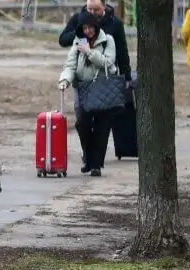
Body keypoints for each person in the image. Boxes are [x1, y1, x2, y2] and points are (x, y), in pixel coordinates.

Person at [58, 15, 119, 177]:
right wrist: (65, 80)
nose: (88, 31)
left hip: (102, 88)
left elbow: (109, 63)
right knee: (83, 124)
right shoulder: (78, 41)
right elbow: (70, 65)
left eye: (90, 27)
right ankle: (88, 158)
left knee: (101, 127)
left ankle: (96, 165)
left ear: (96, 27)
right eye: (84, 28)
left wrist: (89, 53)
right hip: (83, 89)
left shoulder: (108, 40)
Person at [58, 0, 131, 87]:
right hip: (82, 82)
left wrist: (126, 77)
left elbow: (122, 52)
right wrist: (80, 32)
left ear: (104, 6)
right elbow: (63, 40)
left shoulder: (115, 24)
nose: (92, 13)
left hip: (105, 80)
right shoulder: (78, 19)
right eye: (89, 9)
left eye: (96, 9)